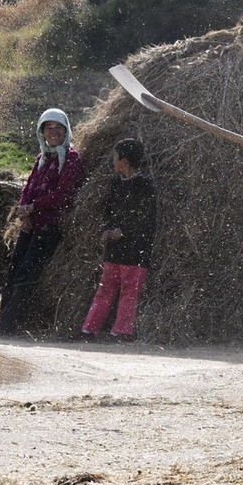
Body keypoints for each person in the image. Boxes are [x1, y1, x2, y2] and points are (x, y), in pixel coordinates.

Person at [0, 108, 84, 337]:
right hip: (32, 224)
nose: (53, 132)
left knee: (26, 274)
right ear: (42, 132)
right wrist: (25, 213)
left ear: (66, 129)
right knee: (13, 271)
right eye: (48, 128)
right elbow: (28, 188)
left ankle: (8, 326)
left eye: (58, 128)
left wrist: (34, 208)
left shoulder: (70, 158)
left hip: (50, 225)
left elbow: (64, 194)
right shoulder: (43, 157)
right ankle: (0, 322)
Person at [79, 138, 156, 342]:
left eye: (116, 156)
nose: (113, 160)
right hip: (115, 248)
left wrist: (124, 231)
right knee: (105, 289)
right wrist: (107, 230)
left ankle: (122, 331)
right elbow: (108, 211)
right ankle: (89, 328)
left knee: (130, 291)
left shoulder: (144, 185)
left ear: (125, 161)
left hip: (136, 250)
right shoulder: (116, 184)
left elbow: (146, 217)